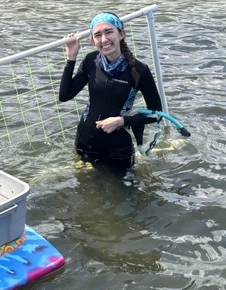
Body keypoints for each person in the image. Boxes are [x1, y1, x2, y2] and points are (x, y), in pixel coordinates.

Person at [58, 12, 163, 171]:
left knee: (123, 193)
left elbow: (156, 115)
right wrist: (71, 58)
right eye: (98, 35)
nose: (104, 39)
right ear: (92, 41)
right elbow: (65, 96)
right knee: (84, 191)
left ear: (121, 34)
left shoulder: (139, 70)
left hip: (118, 151)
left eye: (109, 32)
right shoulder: (90, 60)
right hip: (84, 142)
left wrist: (122, 121)